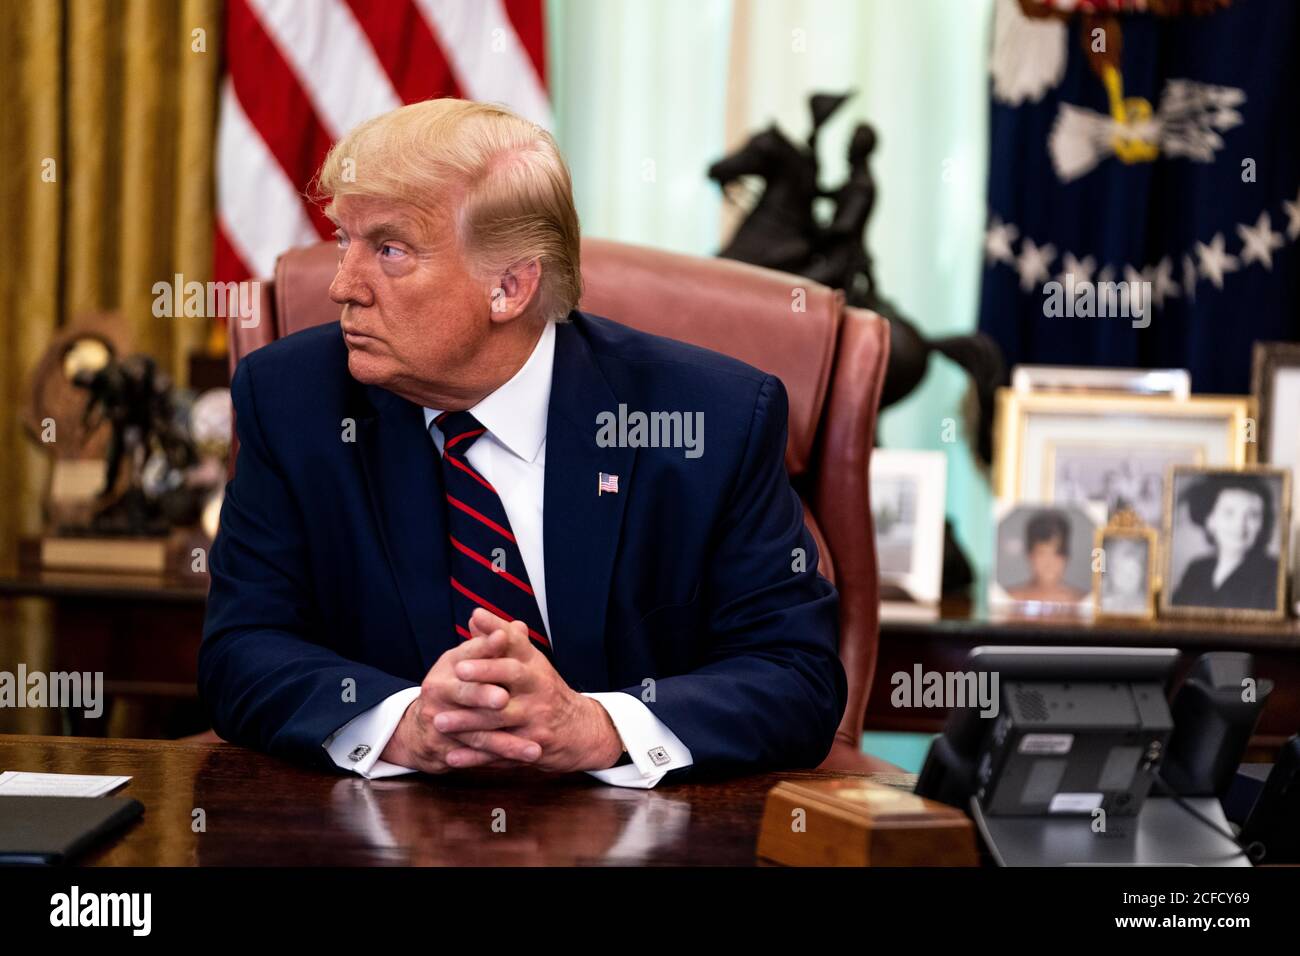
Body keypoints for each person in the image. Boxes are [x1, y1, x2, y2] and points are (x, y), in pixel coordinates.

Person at [198, 99, 846, 789]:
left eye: (388, 250)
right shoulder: (293, 400)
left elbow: (796, 676)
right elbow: (239, 651)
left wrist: (596, 727)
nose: (341, 286)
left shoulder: (708, 419)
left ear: (509, 287)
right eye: (341, 241)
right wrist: (404, 720)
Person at [1170, 473, 1278, 610]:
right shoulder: (1196, 570)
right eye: (1229, 513)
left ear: (1263, 524)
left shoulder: (1273, 573)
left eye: (1252, 515)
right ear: (1210, 520)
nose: (1239, 526)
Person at [1007, 509, 1088, 603]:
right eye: (1042, 553)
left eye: (1057, 553)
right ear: (1030, 555)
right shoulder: (1010, 599)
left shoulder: (1082, 601)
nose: (1049, 564)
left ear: (1066, 557)